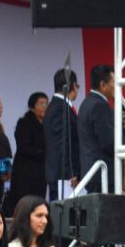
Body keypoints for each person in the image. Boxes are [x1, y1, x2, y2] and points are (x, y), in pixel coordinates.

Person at [5, 92, 48, 209]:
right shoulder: (24, 123)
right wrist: (44, 153)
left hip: (40, 172)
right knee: (26, 205)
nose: (44, 106)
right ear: (32, 106)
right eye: (40, 103)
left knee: (38, 203)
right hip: (25, 172)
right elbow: (24, 147)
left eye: (46, 103)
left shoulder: (46, 124)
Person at [45, 68, 81, 201]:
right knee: (63, 218)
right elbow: (63, 144)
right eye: (78, 86)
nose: (78, 89)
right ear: (72, 86)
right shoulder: (59, 108)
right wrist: (71, 173)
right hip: (64, 177)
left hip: (62, 175)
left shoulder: (59, 106)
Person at [78, 65, 116, 193]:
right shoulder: (100, 105)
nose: (116, 86)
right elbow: (108, 142)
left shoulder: (86, 103)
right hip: (103, 174)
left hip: (92, 172)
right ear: (103, 85)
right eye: (114, 82)